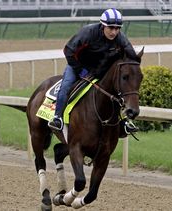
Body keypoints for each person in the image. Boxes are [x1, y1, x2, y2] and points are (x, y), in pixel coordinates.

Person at [48, 8, 139, 136]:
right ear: (103, 25)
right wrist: (80, 71)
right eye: (111, 27)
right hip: (78, 66)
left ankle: (123, 122)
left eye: (117, 28)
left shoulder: (120, 38)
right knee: (66, 86)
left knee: (115, 90)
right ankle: (57, 118)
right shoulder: (88, 33)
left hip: (100, 69)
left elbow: (130, 52)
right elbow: (68, 51)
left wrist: (135, 61)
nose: (114, 32)